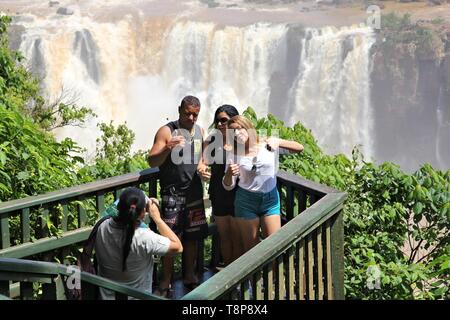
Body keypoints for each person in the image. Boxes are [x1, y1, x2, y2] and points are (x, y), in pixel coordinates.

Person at [148, 95, 209, 297]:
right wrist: (167, 147)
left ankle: (189, 275)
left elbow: (201, 156)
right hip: (172, 194)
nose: (192, 118)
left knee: (192, 236)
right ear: (179, 110)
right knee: (169, 239)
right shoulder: (167, 131)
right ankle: (165, 281)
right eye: (188, 113)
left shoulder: (200, 131)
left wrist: (202, 166)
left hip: (194, 193)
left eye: (195, 114)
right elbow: (152, 161)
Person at [222, 115, 304, 254]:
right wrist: (229, 174)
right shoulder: (234, 154)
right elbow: (228, 186)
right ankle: (257, 277)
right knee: (251, 251)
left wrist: (279, 141)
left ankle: (271, 276)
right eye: (233, 131)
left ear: (248, 127)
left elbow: (299, 148)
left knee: (274, 247)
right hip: (246, 201)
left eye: (239, 128)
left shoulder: (268, 144)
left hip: (270, 200)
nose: (237, 133)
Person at [94, 187, 182, 300]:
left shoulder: (101, 226)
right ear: (142, 213)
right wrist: (157, 218)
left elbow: (115, 208)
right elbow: (178, 247)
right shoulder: (145, 237)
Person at [203, 105, 243, 268]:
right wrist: (202, 169)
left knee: (237, 236)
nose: (220, 124)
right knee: (224, 235)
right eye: (217, 121)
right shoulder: (212, 141)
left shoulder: (242, 141)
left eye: (224, 120)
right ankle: (228, 274)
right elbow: (203, 162)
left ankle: (239, 275)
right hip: (218, 193)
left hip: (238, 194)